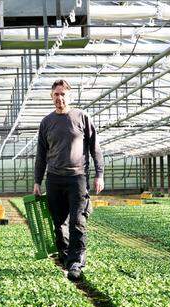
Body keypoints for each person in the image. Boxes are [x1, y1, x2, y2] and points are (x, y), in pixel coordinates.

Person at [33, 79, 104, 281]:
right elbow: (41, 154)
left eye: (63, 94)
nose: (60, 98)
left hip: (77, 178)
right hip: (54, 179)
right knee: (59, 223)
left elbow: (95, 148)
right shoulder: (46, 122)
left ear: (69, 96)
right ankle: (65, 258)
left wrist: (100, 174)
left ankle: (76, 262)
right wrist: (37, 181)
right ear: (51, 96)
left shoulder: (81, 117)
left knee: (77, 221)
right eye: (56, 94)